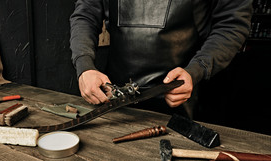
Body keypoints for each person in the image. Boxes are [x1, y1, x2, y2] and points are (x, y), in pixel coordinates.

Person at [69, 0, 253, 115]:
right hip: (114, 101)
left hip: (185, 100)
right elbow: (86, 14)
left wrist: (196, 70)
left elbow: (232, 25)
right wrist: (84, 65)